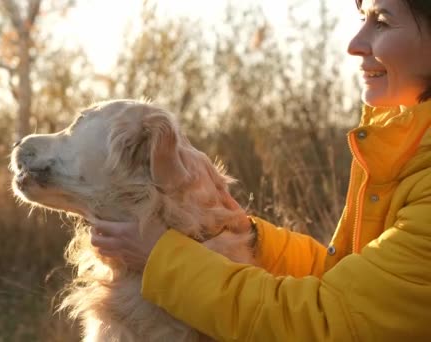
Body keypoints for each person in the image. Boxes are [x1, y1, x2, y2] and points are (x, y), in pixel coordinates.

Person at [89, 0, 431, 340]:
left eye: (382, 22)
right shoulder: (404, 148)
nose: (354, 44)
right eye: (362, 18)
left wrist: (161, 258)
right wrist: (248, 236)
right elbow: (344, 278)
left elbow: (326, 321)